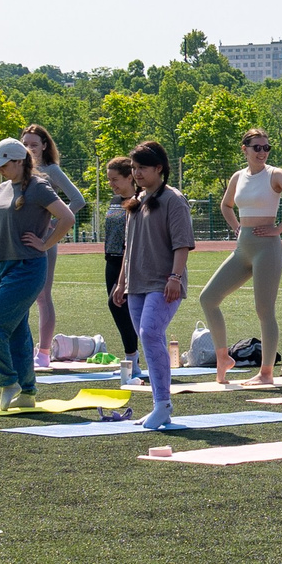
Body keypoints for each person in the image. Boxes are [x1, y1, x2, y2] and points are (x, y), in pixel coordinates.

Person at [200, 128, 282, 385]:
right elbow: (226, 205)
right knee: (208, 298)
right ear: (245, 149)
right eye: (257, 147)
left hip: (267, 249)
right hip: (243, 249)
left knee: (264, 309)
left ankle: (266, 372)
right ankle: (223, 357)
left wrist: (279, 228)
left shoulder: (275, 174)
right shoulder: (238, 177)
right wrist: (236, 227)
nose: (262, 152)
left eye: (266, 148)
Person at [0, 136, 77, 409]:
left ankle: (8, 382)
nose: (0, 169)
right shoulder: (3, 187)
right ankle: (28, 392)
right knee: (17, 332)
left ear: (19, 161)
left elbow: (67, 217)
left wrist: (45, 243)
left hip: (28, 267)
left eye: (4, 164)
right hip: (3, 266)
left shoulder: (38, 186)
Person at [111, 141, 194, 429]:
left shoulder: (174, 199)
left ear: (159, 168)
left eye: (142, 168)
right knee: (150, 339)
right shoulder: (136, 201)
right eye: (134, 168)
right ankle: (161, 405)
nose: (136, 173)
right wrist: (121, 282)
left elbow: (182, 243)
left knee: (149, 333)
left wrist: (175, 277)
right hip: (137, 284)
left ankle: (163, 404)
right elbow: (128, 248)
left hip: (163, 282)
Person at [21, 124, 85, 370]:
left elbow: (78, 199)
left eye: (34, 144)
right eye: (25, 144)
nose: (29, 149)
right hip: (19, 241)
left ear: (45, 146)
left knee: (42, 295)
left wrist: (55, 224)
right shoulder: (18, 169)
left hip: (45, 241)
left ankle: (44, 352)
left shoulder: (51, 170)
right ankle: (22, 345)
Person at [98, 155, 143, 381]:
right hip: (112, 260)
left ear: (129, 177)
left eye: (115, 179)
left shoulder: (140, 200)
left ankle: (134, 359)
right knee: (118, 308)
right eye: (109, 179)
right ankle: (132, 360)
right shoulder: (115, 200)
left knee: (119, 306)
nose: (111, 184)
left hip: (132, 262)